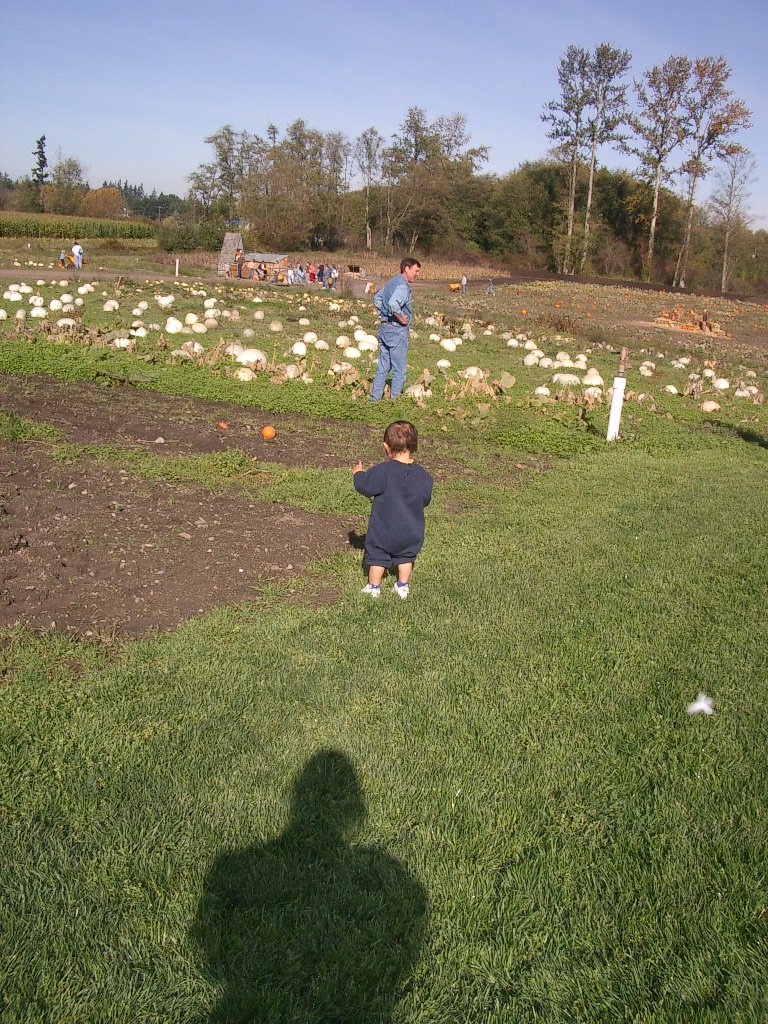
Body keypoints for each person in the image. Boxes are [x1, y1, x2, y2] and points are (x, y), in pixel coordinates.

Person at [352, 420, 433, 600]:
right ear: (414, 446)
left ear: (385, 446)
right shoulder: (423, 476)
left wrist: (358, 474)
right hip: (411, 530)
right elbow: (425, 499)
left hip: (384, 530)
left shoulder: (382, 471)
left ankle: (373, 587)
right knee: (406, 556)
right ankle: (402, 586)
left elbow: (365, 486)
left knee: (377, 556)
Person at [370, 257, 421, 401]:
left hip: (384, 328)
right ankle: (395, 402)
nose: (417, 274)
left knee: (383, 366)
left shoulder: (391, 282)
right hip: (396, 330)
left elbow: (377, 299)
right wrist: (399, 317)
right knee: (399, 369)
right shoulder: (403, 286)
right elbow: (393, 304)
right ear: (407, 268)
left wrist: (385, 314)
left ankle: (374, 399)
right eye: (416, 271)